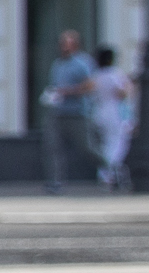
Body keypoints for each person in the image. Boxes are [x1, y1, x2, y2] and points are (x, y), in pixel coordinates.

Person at [40, 29, 100, 194]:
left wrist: (68, 91)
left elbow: (90, 86)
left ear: (75, 44)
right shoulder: (58, 63)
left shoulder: (82, 62)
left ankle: (113, 169)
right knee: (52, 147)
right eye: (61, 43)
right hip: (57, 112)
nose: (62, 46)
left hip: (77, 113)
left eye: (66, 43)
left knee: (87, 147)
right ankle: (55, 182)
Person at [89, 44, 135, 191]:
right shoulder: (114, 74)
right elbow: (121, 93)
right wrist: (129, 86)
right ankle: (110, 172)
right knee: (118, 143)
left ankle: (105, 173)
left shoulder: (96, 75)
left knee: (105, 144)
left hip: (98, 111)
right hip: (114, 113)